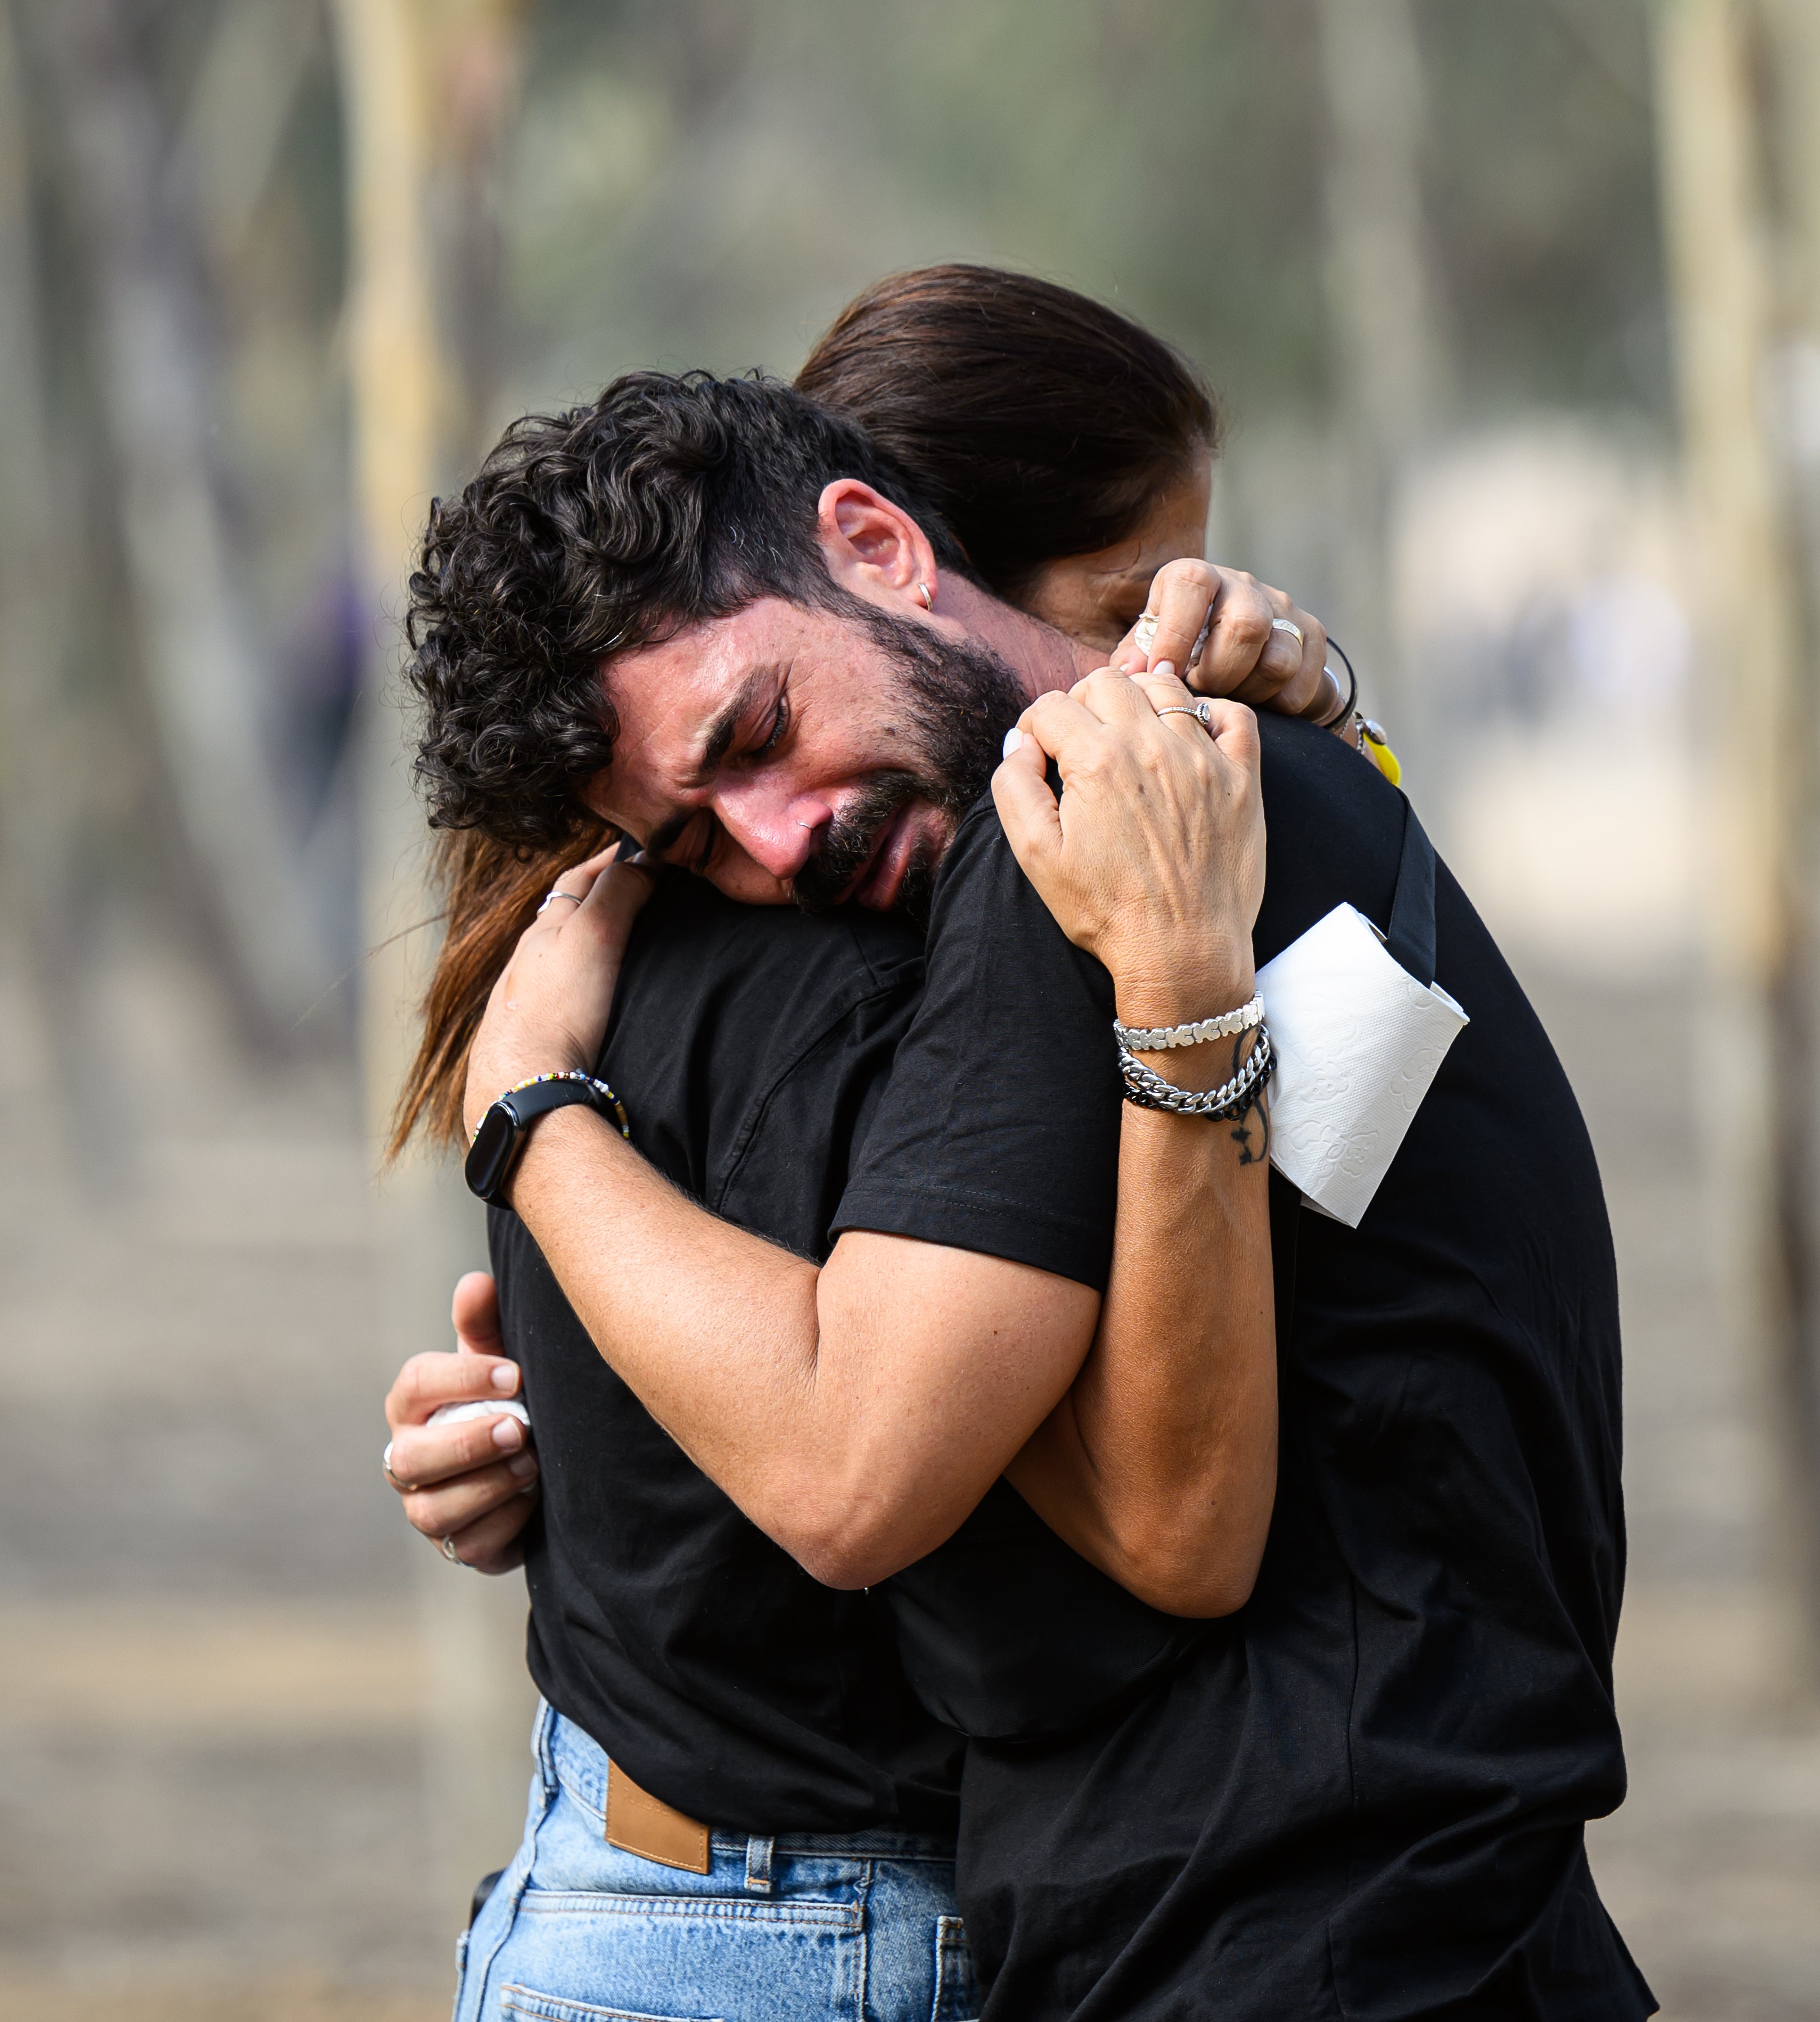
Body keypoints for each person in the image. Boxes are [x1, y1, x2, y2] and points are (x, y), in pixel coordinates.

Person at [398, 292, 1649, 2016]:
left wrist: (534, 1124)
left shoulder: (1092, 845)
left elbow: (1007, 1485)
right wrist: (561, 1384)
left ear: (890, 542)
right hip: (1345, 1904)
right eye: (1139, 602)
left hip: (1294, 1915)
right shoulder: (1017, 871)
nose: (1181, 654)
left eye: (1187, 605)